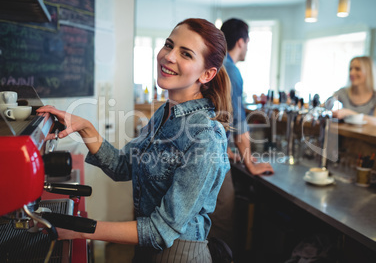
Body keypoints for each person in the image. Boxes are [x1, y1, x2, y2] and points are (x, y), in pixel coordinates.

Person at [37, 18, 233, 263]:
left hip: (179, 255)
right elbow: (123, 166)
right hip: (145, 251)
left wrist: (81, 228)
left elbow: (161, 231)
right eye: (169, 45)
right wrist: (85, 127)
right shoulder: (165, 113)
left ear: (207, 74)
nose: (169, 57)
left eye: (185, 54)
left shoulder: (205, 135)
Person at [208, 18, 274, 257]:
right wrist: (250, 164)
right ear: (240, 42)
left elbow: (216, 116)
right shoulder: (232, 71)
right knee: (222, 224)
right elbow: (238, 125)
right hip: (212, 162)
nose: (247, 48)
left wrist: (226, 148)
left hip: (210, 153)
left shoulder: (214, 65)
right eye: (247, 43)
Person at [331, 56, 376, 125]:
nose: (351, 73)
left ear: (368, 72)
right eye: (350, 69)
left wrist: (348, 112)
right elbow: (327, 104)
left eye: (357, 69)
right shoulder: (343, 92)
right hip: (344, 134)